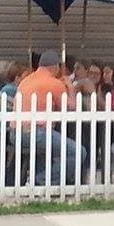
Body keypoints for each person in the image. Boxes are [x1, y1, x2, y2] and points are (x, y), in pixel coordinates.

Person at [16, 50, 85, 184]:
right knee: (77, 152)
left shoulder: (26, 80)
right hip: (36, 132)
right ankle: (41, 181)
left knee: (44, 153)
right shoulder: (54, 83)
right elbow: (71, 107)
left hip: (17, 131)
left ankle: (39, 185)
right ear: (56, 67)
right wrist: (70, 87)